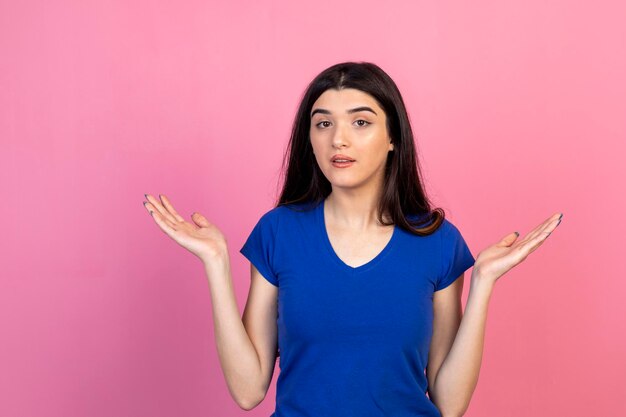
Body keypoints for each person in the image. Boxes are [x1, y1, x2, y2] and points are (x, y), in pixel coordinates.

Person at [143, 61, 563, 416]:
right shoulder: (278, 233)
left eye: (360, 122)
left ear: (393, 138)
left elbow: (449, 404)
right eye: (323, 123)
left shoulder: (437, 242)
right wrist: (215, 263)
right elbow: (248, 390)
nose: (337, 139)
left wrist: (484, 283)